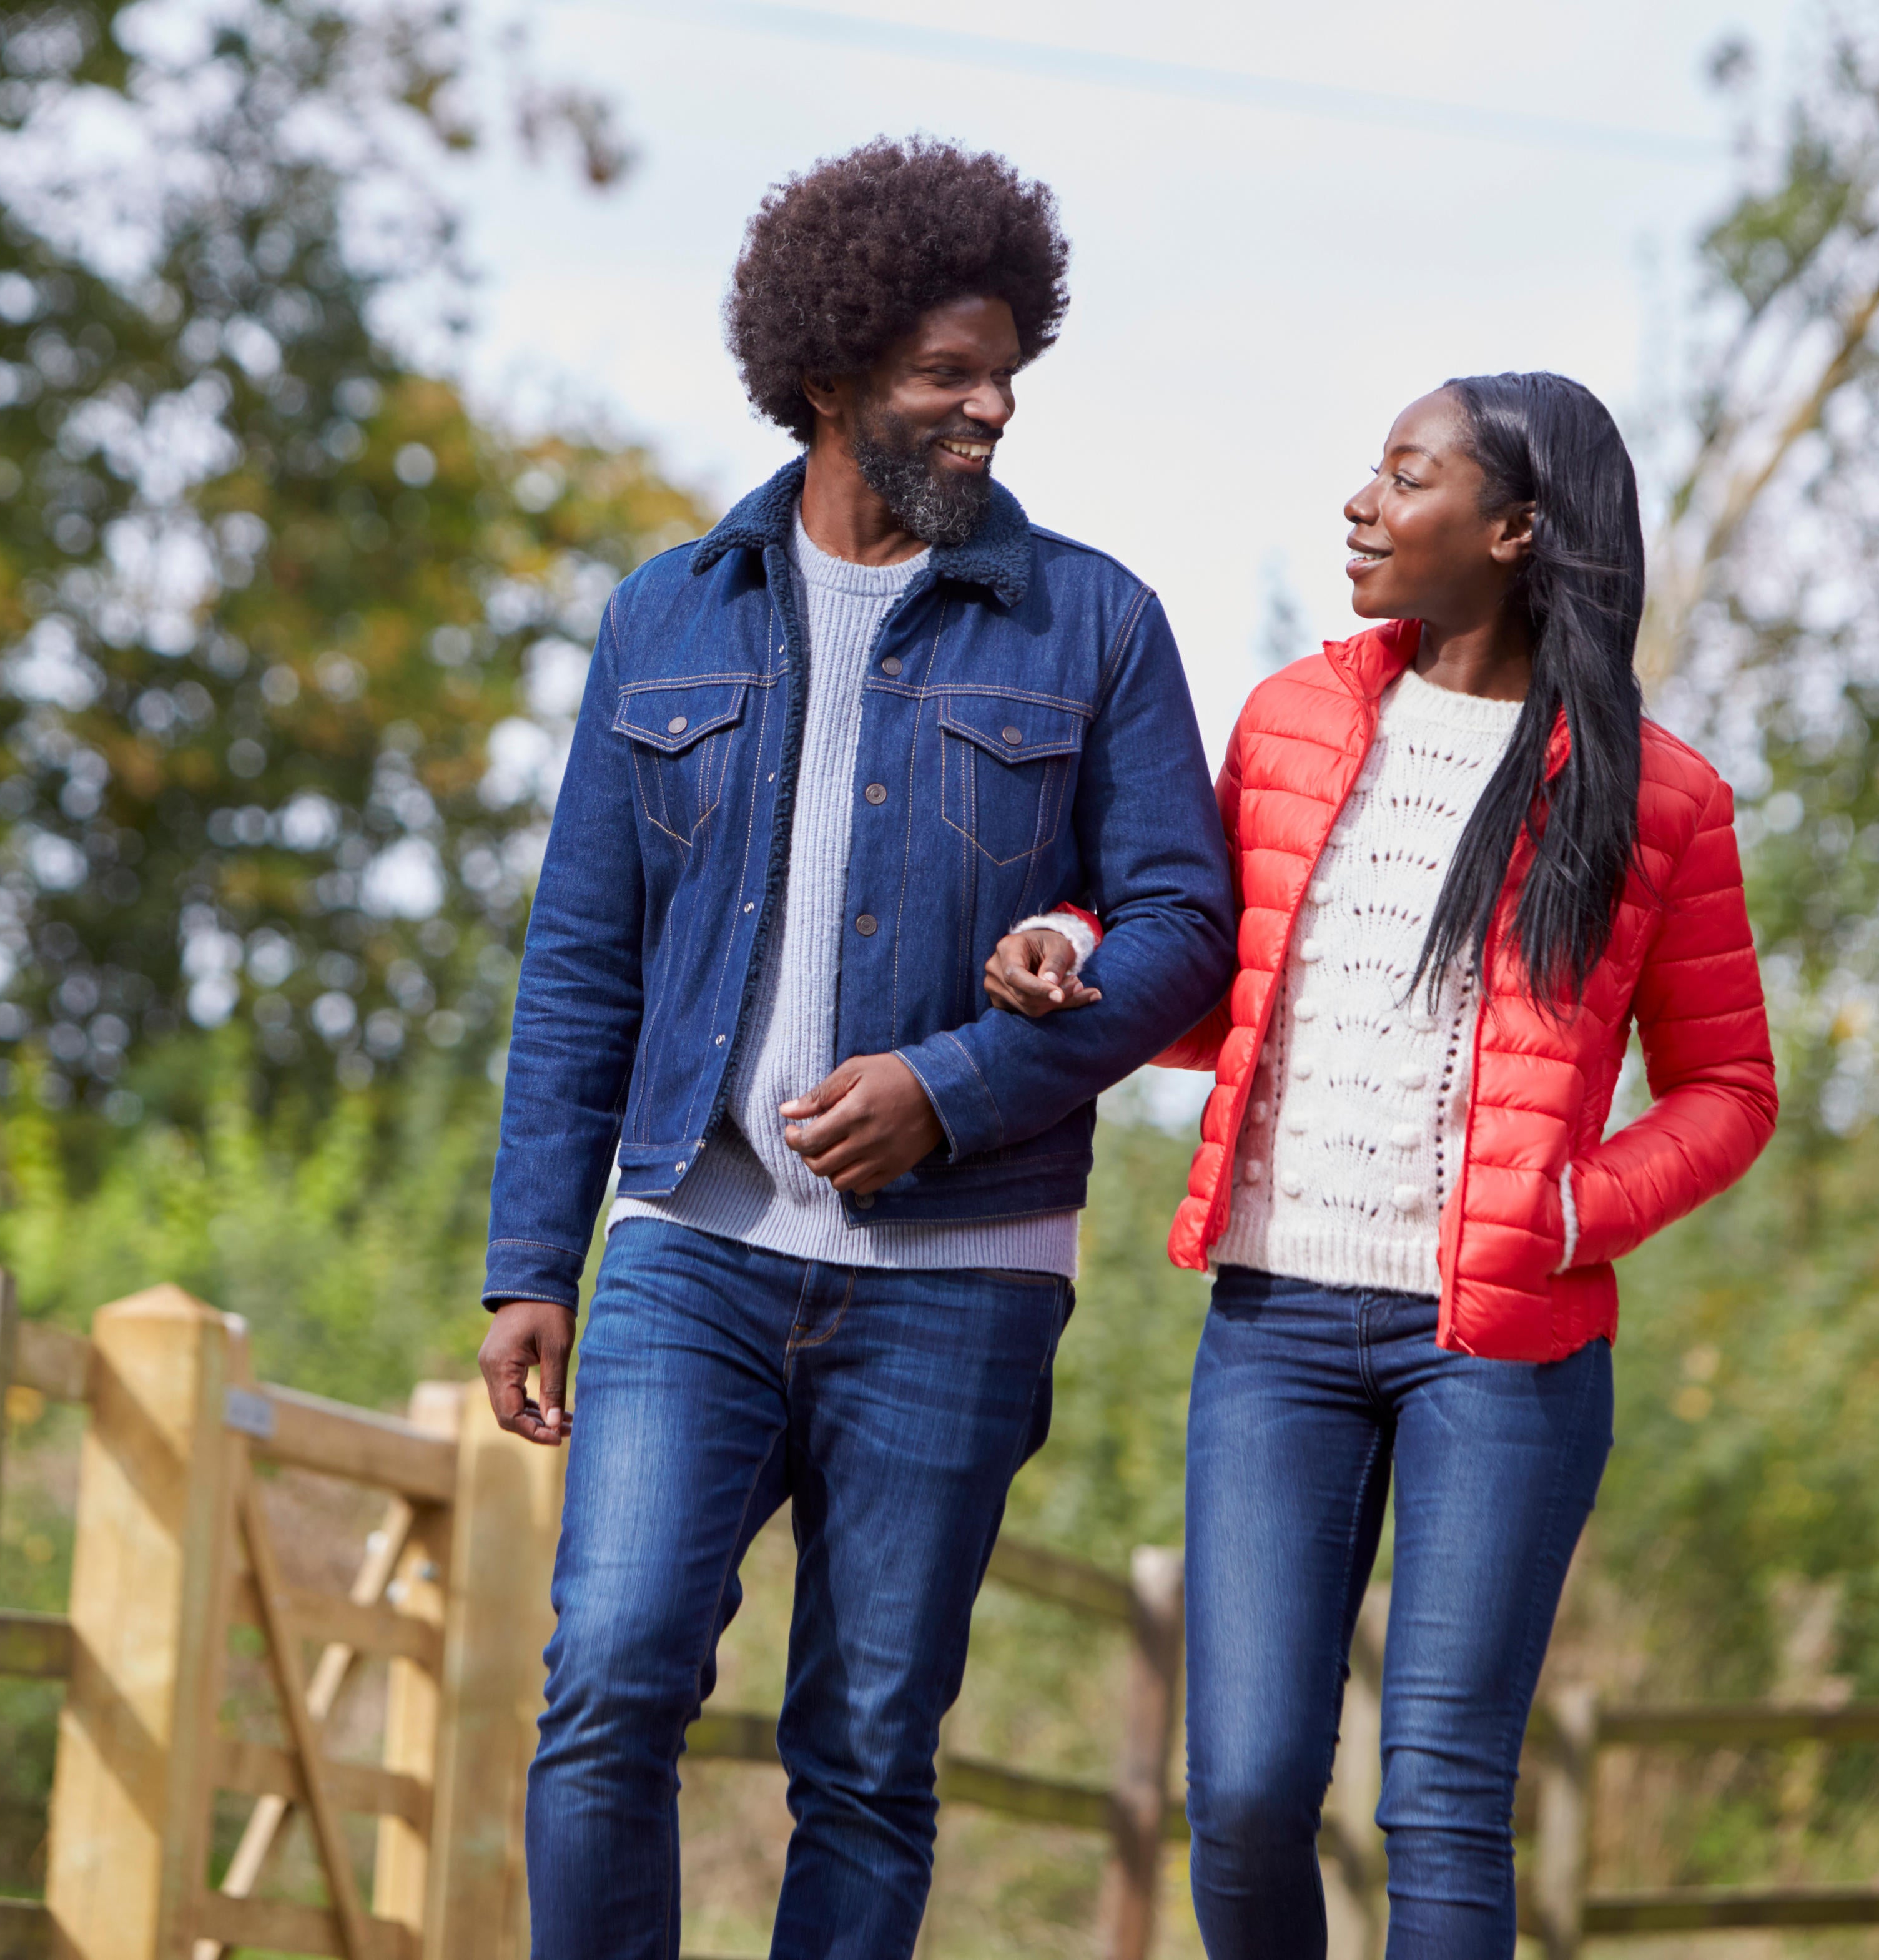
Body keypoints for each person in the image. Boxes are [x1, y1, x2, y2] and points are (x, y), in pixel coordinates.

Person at [478, 139, 1237, 1959]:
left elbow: (1183, 932)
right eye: (945, 374)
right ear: (826, 375)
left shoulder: (1095, 622)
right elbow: (582, 954)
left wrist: (950, 1085)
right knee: (604, 1683)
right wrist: (528, 1259)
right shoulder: (666, 612)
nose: (989, 408)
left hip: (959, 1281)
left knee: (870, 1754)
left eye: (1004, 373)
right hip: (690, 1247)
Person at [993, 372, 1777, 1956]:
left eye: (1406, 477)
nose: (1360, 500)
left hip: (1500, 1350)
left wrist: (1572, 1207)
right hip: (1274, 1327)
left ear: (1512, 528)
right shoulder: (1290, 719)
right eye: (1371, 470)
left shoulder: (1657, 796)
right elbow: (1204, 964)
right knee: (1248, 1793)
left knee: (1437, 1797)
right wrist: (1074, 945)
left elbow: (1728, 1088)